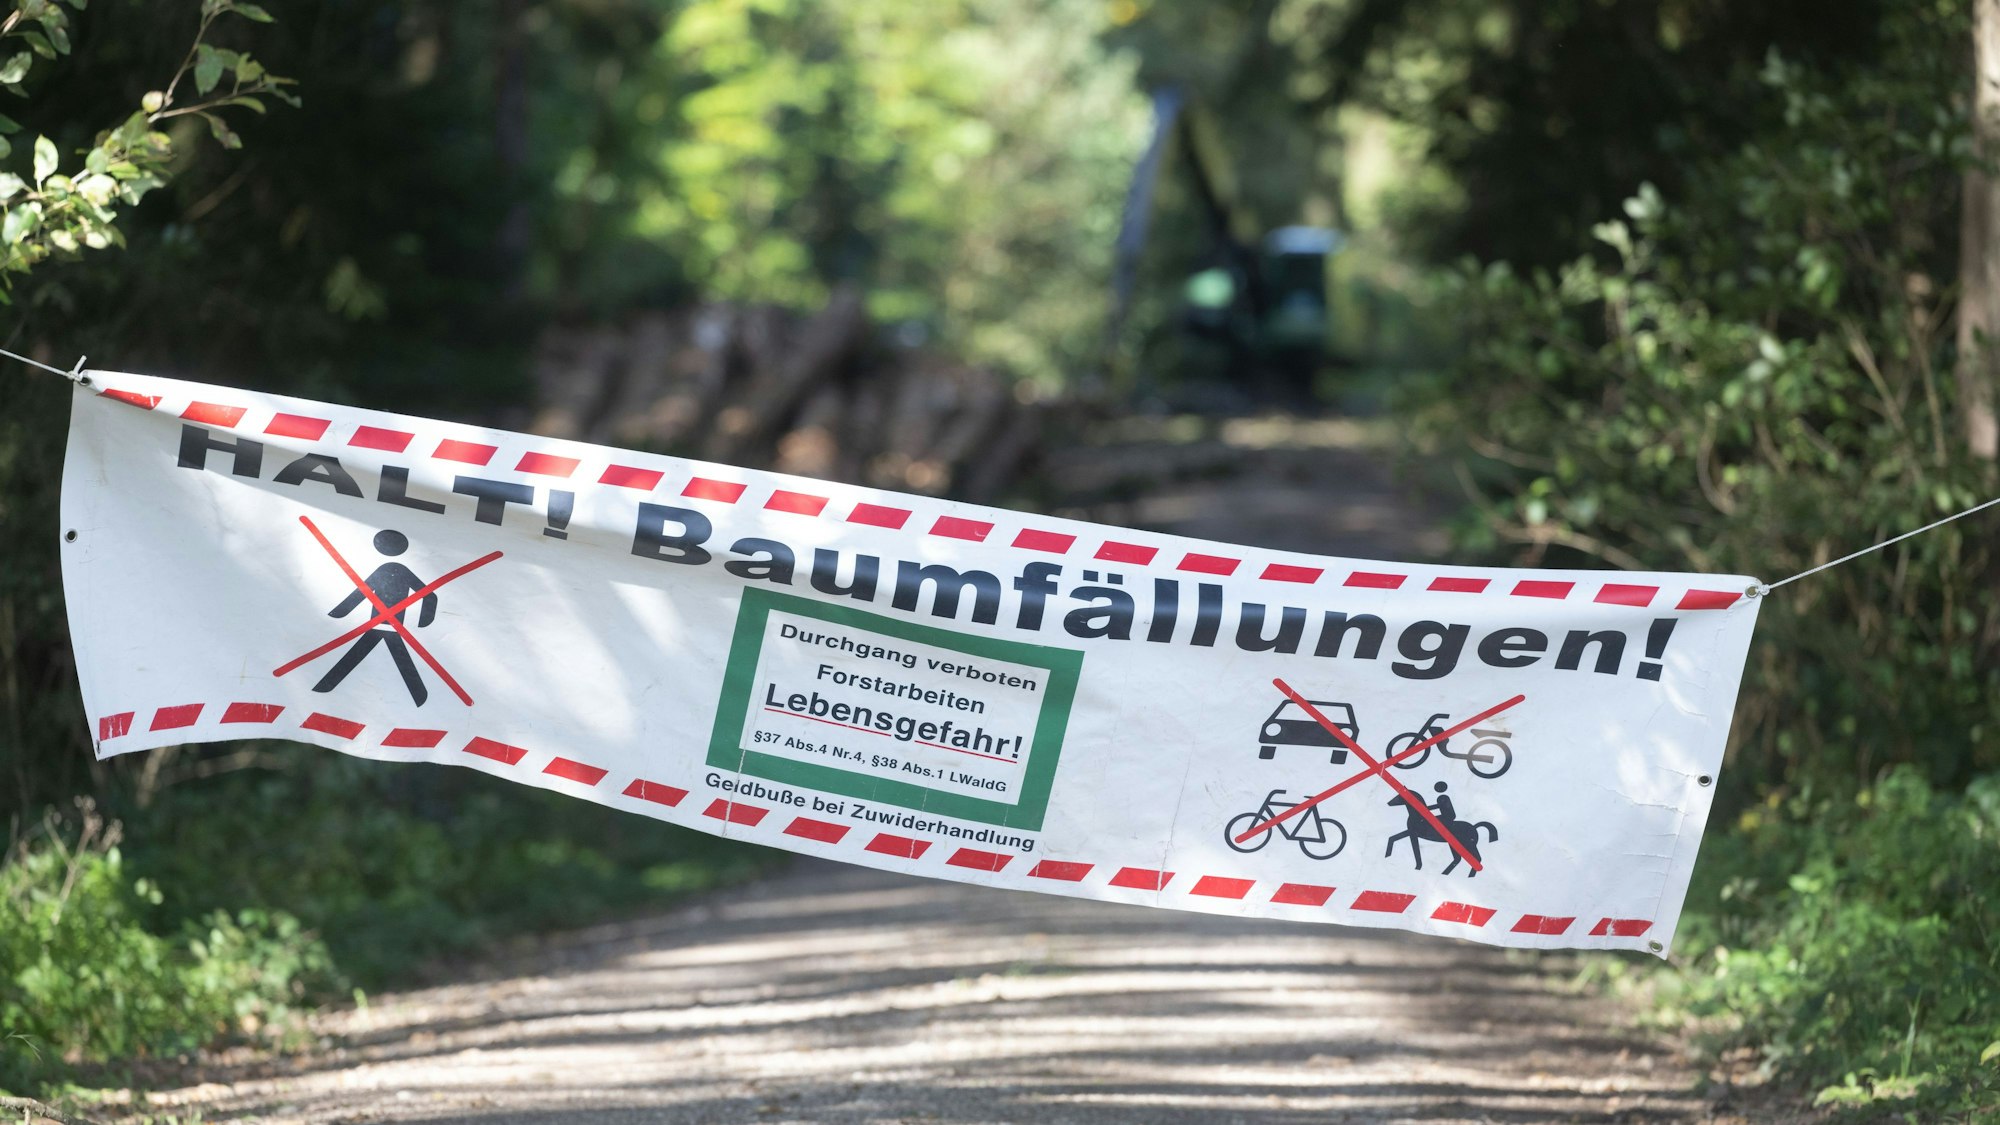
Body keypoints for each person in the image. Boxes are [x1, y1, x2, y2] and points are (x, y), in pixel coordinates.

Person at [311, 529, 436, 705]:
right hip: (379, 625)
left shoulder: (397, 571)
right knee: (368, 657)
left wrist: (424, 620)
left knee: (388, 659)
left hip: (391, 626)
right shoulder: (388, 570)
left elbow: (429, 595)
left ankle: (420, 697)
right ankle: (420, 696)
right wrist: (340, 612)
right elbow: (362, 592)